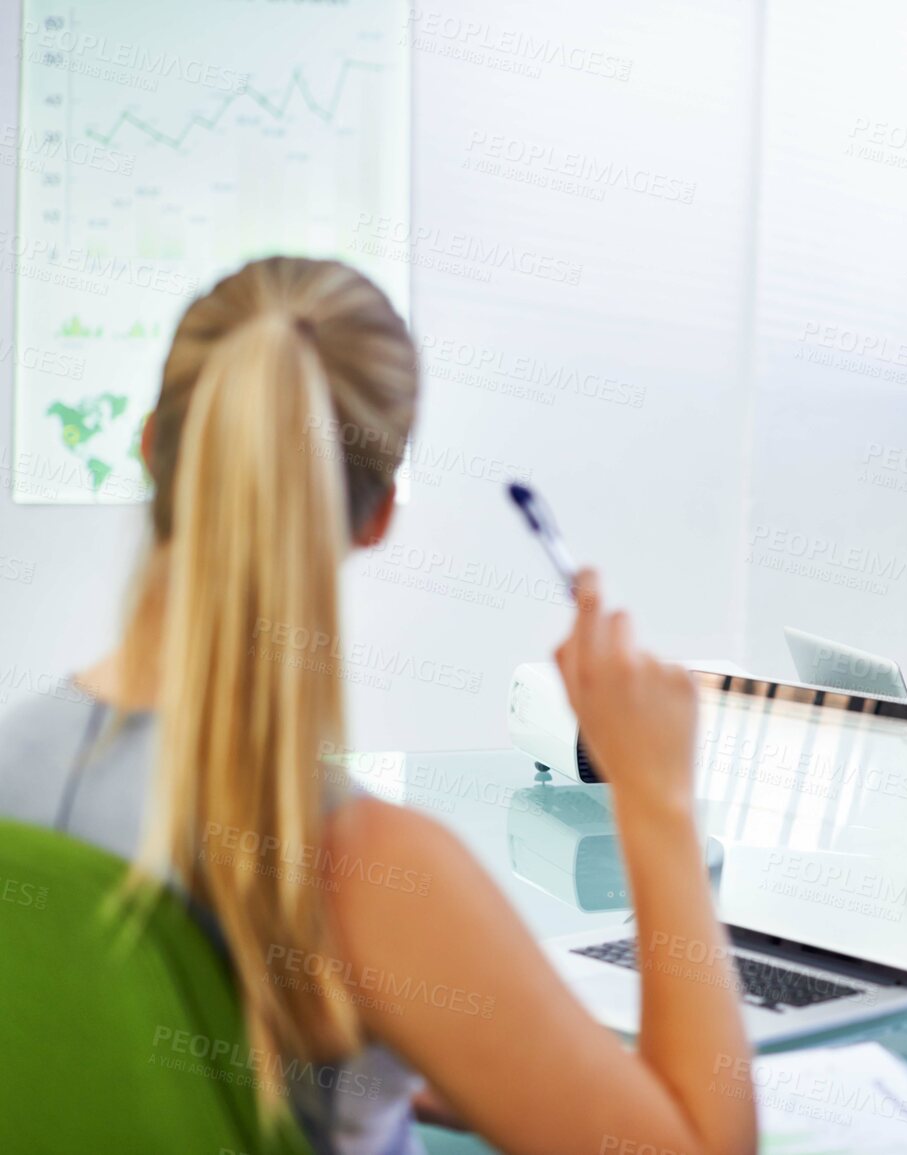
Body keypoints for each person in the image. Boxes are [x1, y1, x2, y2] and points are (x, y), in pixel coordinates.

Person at [0, 258, 756, 1155]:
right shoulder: (368, 874)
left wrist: (377, 1067)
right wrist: (655, 797)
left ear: (152, 447)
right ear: (378, 514)